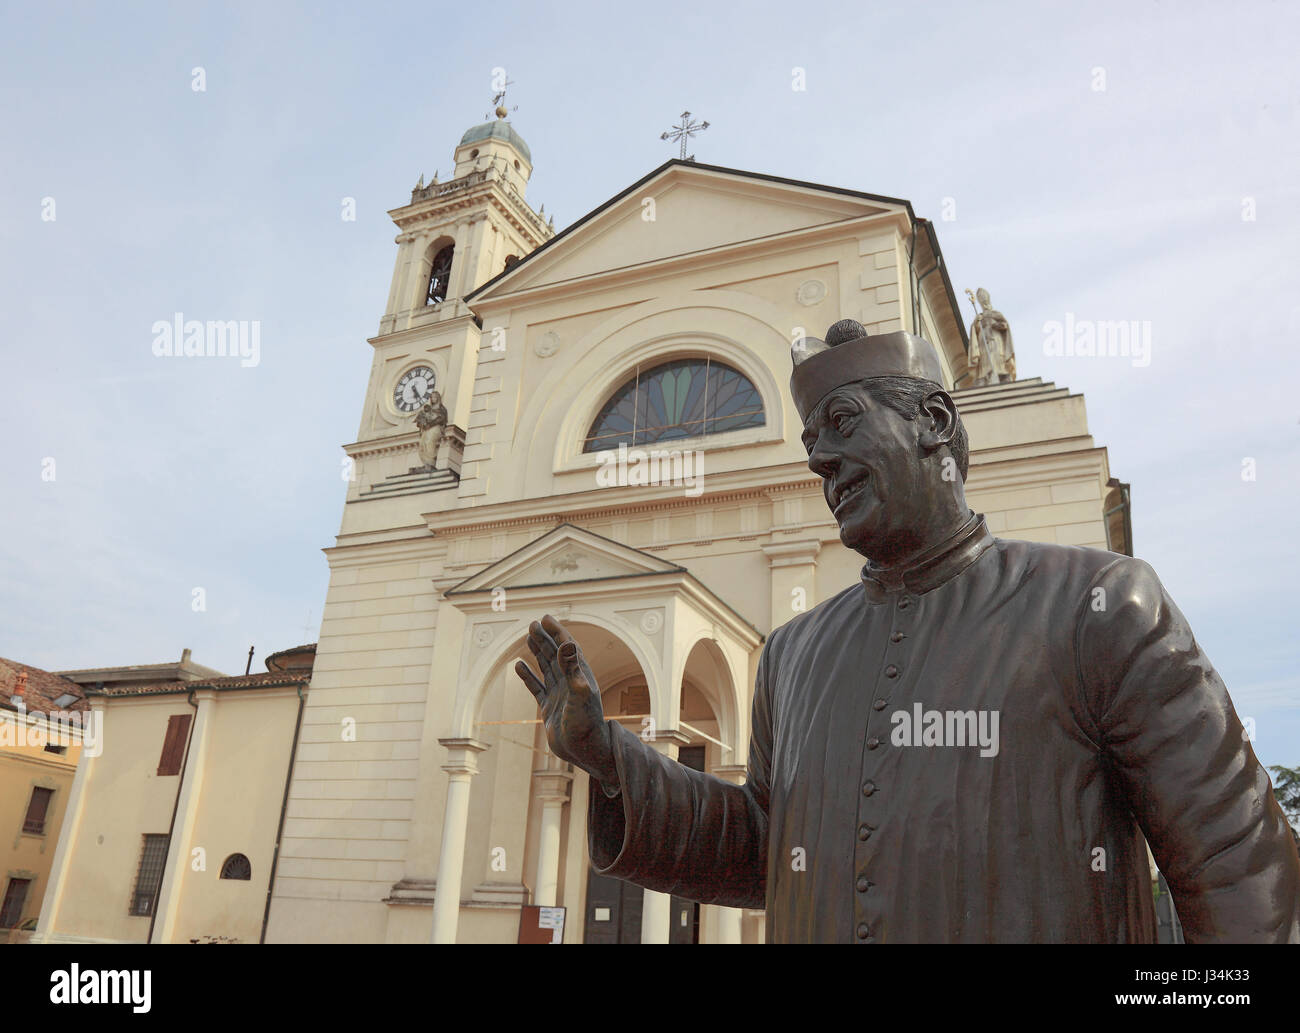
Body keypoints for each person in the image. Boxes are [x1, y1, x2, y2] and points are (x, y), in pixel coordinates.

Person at [516, 318, 1300, 943]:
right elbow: (762, 843)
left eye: (843, 423)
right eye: (811, 442)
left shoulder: (1098, 603)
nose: (821, 459)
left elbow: (1238, 865)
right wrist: (608, 757)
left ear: (933, 420)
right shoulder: (791, 655)